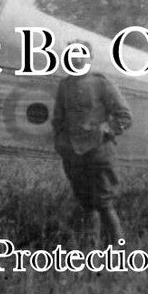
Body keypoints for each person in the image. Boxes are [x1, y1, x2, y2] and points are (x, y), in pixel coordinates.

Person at [52, 41, 133, 246]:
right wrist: (62, 144)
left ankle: (118, 249)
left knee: (105, 203)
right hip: (74, 155)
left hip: (100, 153)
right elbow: (58, 119)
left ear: (90, 57)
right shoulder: (65, 85)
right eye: (72, 55)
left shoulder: (101, 83)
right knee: (86, 203)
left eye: (81, 55)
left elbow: (124, 117)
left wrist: (105, 129)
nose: (77, 59)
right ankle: (91, 250)